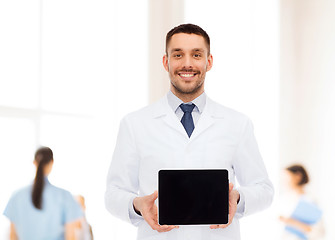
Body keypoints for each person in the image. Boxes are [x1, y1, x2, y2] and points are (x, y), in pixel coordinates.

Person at [105, 23, 274, 240]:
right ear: (166, 62)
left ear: (208, 61)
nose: (187, 64)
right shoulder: (135, 123)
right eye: (178, 55)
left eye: (196, 55)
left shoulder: (237, 124)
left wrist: (237, 198)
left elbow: (264, 189)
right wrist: (137, 205)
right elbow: (113, 194)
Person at [3, 146, 83, 240]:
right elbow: (71, 237)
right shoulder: (64, 196)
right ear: (52, 163)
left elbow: (12, 236)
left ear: (34, 163)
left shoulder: (17, 196)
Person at [279, 164, 325, 240]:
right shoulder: (283, 199)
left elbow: (320, 232)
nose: (283, 181)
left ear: (298, 176)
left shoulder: (310, 200)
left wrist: (292, 222)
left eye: (286, 177)